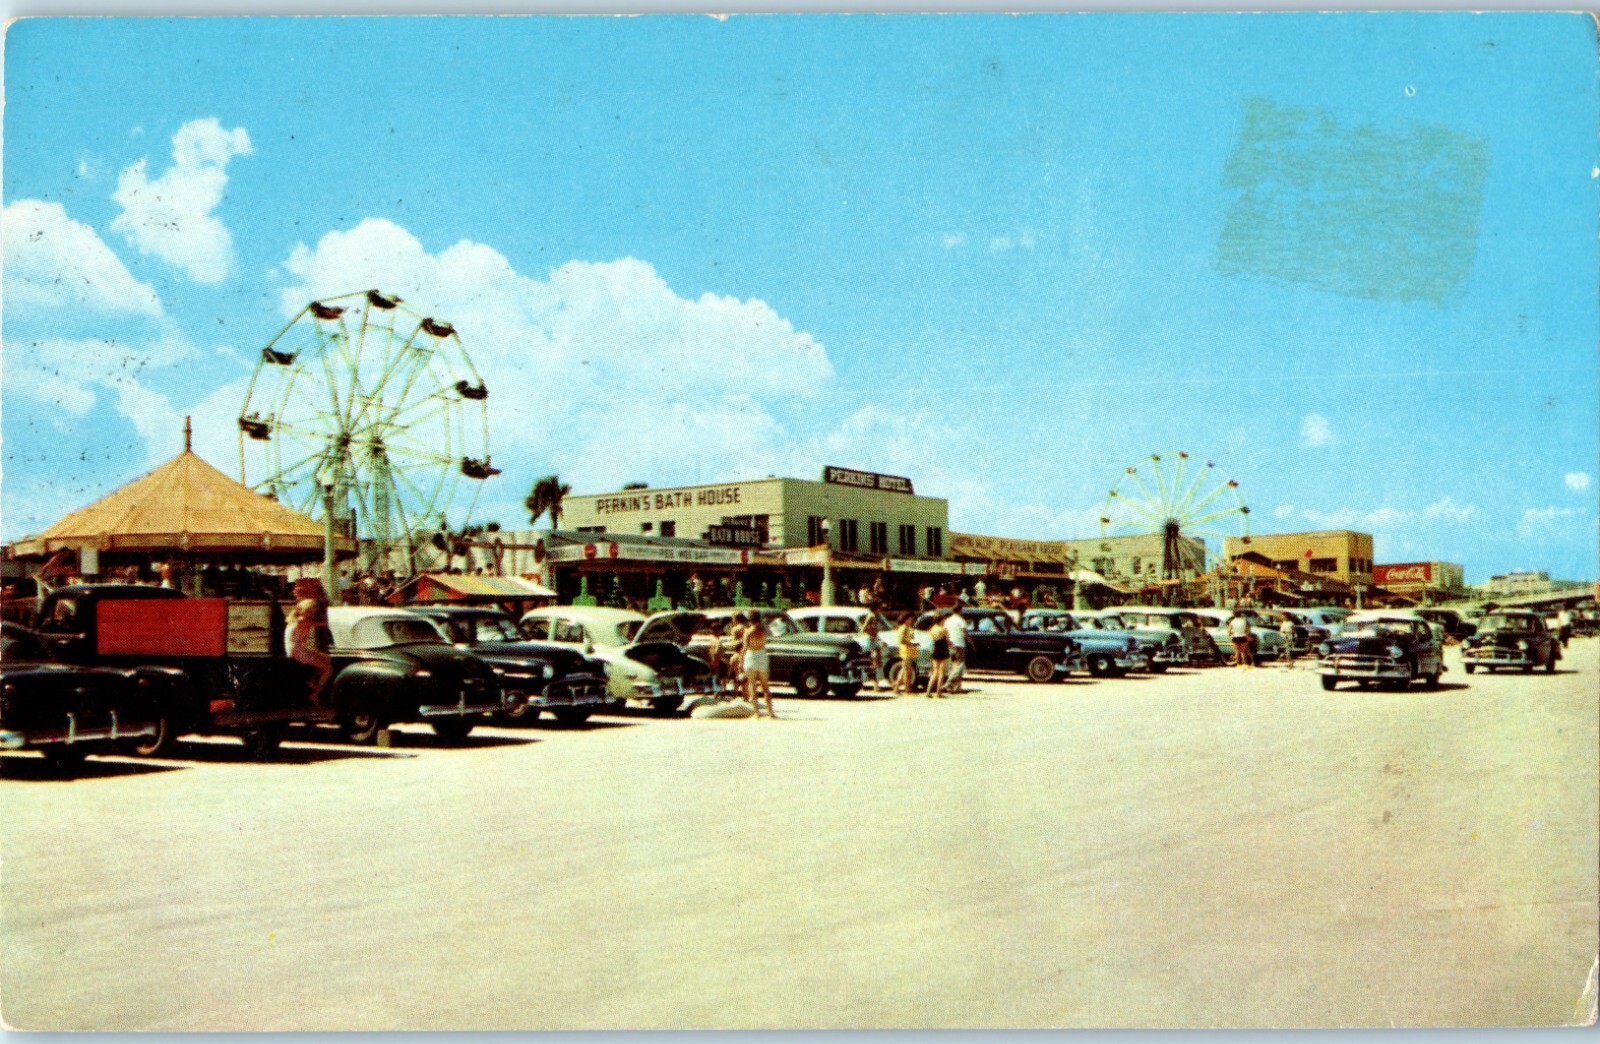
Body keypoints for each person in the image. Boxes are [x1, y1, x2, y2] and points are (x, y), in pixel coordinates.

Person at [285, 597, 333, 708]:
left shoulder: (298, 618)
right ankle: (315, 694)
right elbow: (321, 624)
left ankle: (313, 681)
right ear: (308, 610)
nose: (315, 611)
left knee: (328, 658)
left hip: (300, 649)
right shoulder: (302, 620)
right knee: (328, 668)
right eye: (313, 609)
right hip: (298, 651)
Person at [741, 614, 774, 718]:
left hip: (751, 656)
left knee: (752, 685)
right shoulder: (763, 630)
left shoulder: (748, 632)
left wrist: (740, 661)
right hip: (762, 656)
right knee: (765, 686)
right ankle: (770, 712)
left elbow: (745, 647)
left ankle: (756, 713)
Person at [944, 607, 969, 694]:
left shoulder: (948, 621)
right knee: (960, 665)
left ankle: (956, 687)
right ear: (959, 611)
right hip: (959, 644)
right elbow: (965, 632)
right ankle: (950, 683)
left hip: (951, 644)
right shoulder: (960, 620)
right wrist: (971, 643)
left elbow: (946, 632)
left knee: (953, 665)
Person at [925, 612, 951, 697]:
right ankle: (938, 692)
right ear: (941, 620)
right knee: (941, 672)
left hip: (935, 650)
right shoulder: (944, 629)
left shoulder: (932, 629)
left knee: (934, 672)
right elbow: (948, 641)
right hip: (943, 650)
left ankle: (928, 692)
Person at [862, 612, 888, 692]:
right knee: (871, 664)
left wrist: (881, 641)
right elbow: (864, 629)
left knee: (876, 664)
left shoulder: (874, 627)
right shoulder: (869, 628)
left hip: (874, 644)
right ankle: (872, 685)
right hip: (871, 645)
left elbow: (876, 636)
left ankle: (875, 685)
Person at [895, 613, 920, 696]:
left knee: (904, 670)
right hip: (905, 650)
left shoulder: (907, 628)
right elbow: (902, 640)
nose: (911, 620)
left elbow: (910, 638)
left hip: (908, 650)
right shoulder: (904, 628)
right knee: (907, 671)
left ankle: (896, 687)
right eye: (910, 619)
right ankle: (907, 690)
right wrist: (911, 644)